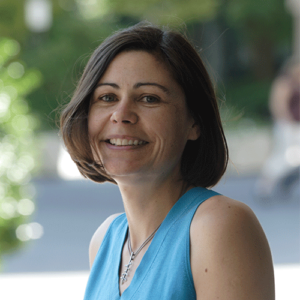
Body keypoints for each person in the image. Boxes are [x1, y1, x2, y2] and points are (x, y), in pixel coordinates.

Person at [60, 23, 275, 299]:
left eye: (149, 98)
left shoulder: (219, 225)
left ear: (194, 122)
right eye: (107, 97)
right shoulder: (104, 241)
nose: (121, 114)